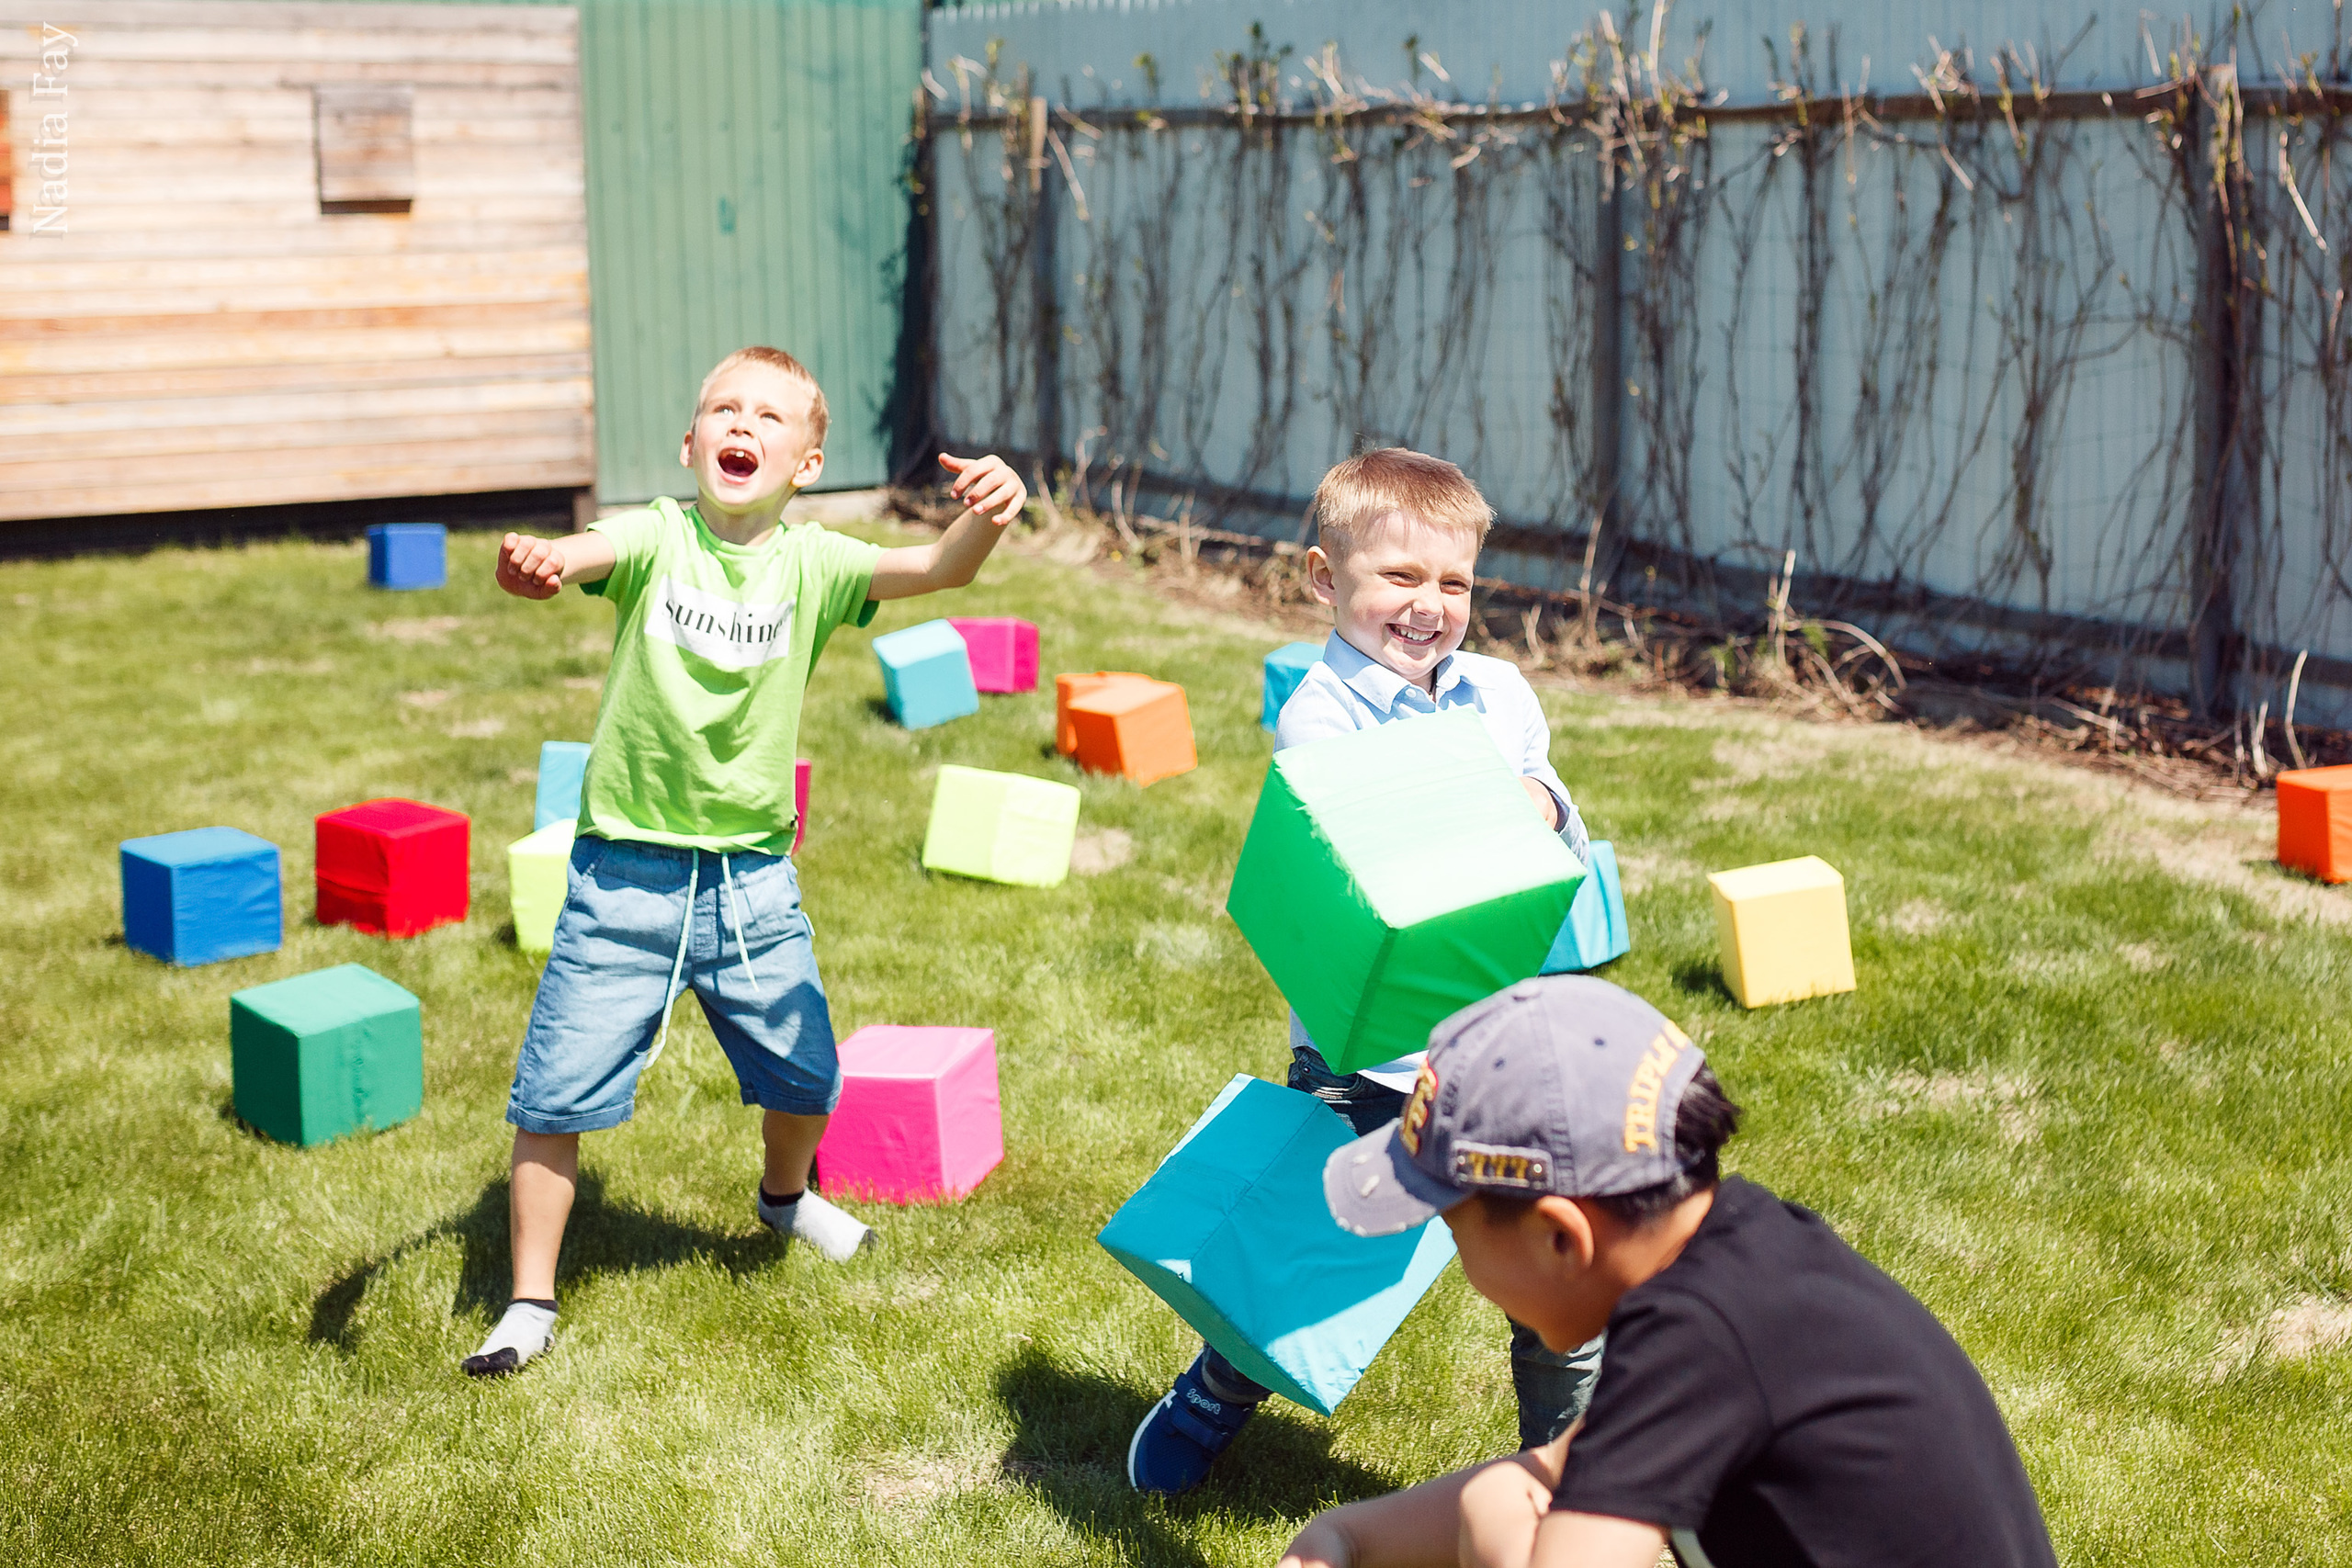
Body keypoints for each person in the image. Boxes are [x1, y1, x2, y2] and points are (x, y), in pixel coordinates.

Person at [460, 345, 1026, 1378]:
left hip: (750, 880)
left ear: (805, 463)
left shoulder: (814, 565)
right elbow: (578, 554)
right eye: (724, 408)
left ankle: (782, 1200)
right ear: (690, 444)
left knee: (806, 1073)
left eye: (770, 417)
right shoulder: (654, 538)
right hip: (623, 875)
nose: (743, 423)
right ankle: (528, 1302)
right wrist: (537, 562)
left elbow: (941, 568)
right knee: (554, 1095)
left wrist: (990, 507)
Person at [1127, 447, 1600, 1493]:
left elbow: (1556, 824)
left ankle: (1568, 1472)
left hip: (1498, 1047)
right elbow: (1390, 853)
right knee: (1313, 1257)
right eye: (1399, 577)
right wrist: (1502, 805)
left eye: (1454, 583)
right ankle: (1217, 1389)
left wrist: (1543, 804)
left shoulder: (1502, 691)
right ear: (1320, 578)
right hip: (1363, 1056)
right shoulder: (1320, 713)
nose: (1428, 606)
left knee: (1557, 1267)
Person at [1278, 975, 2061, 1568]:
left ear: (1562, 1237)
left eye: (1452, 1225)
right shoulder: (1744, 1264)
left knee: (1498, 1514)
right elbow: (1563, 1467)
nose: (1458, 1257)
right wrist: (1344, 1535)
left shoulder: (1703, 1331)